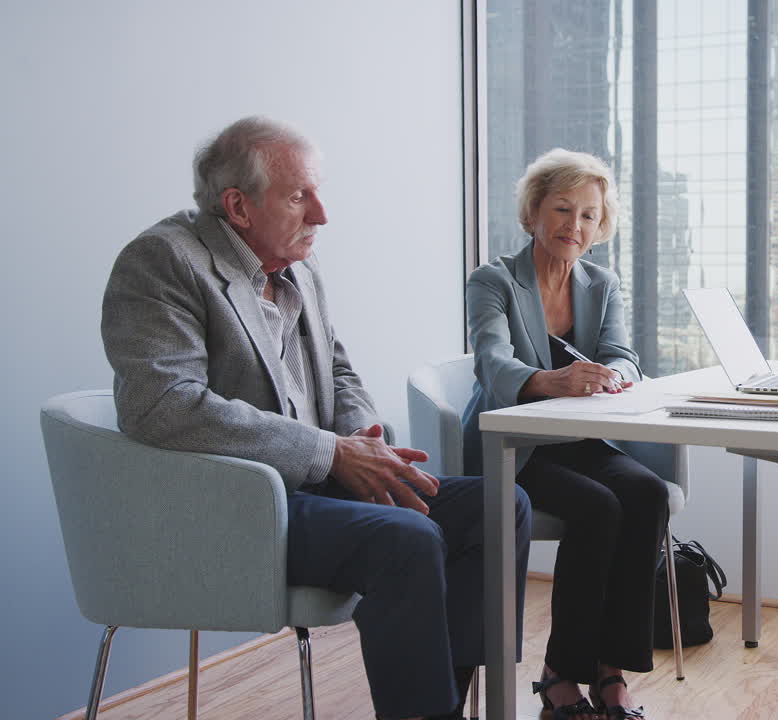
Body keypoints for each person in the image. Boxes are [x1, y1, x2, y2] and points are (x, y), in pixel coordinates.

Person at [101, 116, 532, 720]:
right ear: (238, 206)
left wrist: (362, 440)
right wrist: (331, 453)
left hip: (315, 487)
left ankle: (442, 703)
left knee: (501, 506)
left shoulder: (299, 267)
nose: (322, 213)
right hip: (237, 502)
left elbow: (340, 371)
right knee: (407, 540)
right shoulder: (163, 261)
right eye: (301, 195)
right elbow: (163, 404)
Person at [463, 148, 667, 720]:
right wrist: (551, 380)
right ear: (532, 213)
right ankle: (559, 676)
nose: (573, 226)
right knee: (598, 508)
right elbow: (491, 364)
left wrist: (612, 376)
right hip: (517, 449)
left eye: (587, 215)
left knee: (647, 493)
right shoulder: (494, 280)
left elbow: (626, 358)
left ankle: (612, 670)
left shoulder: (602, 284)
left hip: (582, 441)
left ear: (600, 226)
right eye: (561, 209)